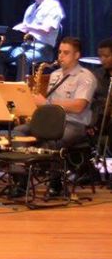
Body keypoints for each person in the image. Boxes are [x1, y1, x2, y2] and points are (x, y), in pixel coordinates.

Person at [11, 37, 97, 196]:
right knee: (17, 132)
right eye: (59, 52)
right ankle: (21, 180)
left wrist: (47, 103)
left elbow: (79, 106)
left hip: (74, 124)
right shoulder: (55, 74)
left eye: (66, 53)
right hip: (50, 122)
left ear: (77, 55)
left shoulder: (85, 77)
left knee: (52, 139)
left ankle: (55, 184)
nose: (60, 56)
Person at [2, 0, 65, 77]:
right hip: (26, 46)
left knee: (22, 58)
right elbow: (24, 29)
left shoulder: (53, 6)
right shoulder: (30, 8)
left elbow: (46, 29)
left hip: (44, 49)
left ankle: (21, 90)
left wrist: (27, 26)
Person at [93, 38, 112, 133]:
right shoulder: (97, 75)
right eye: (100, 56)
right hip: (100, 119)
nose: (102, 60)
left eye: (106, 56)